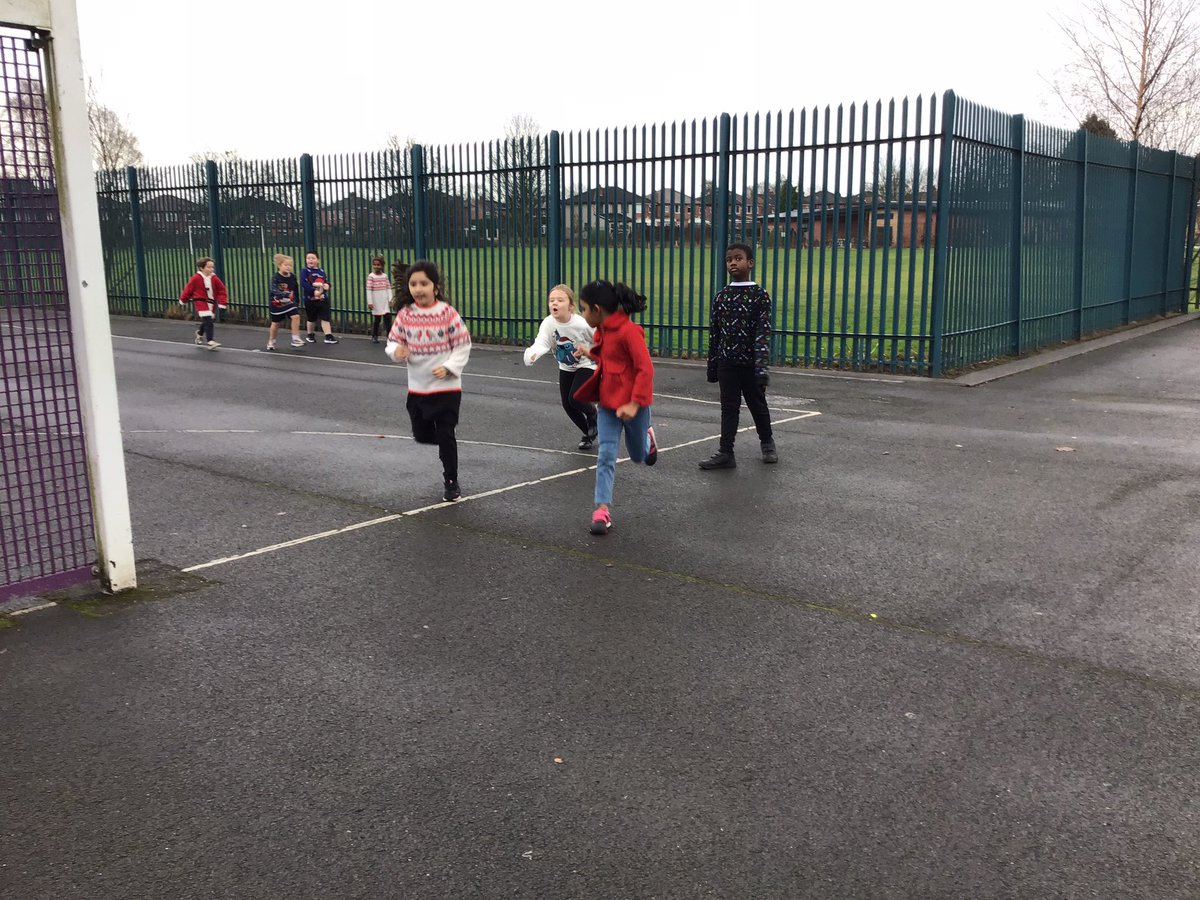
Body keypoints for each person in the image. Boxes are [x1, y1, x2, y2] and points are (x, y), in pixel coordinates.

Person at [572, 279, 658, 536]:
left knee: (637, 456)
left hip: (634, 406)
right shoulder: (603, 331)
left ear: (597, 309)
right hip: (608, 405)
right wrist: (589, 352)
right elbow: (610, 359)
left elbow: (645, 369)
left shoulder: (629, 332)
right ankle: (601, 510)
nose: (582, 314)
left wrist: (634, 404)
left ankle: (647, 438)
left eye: (584, 309)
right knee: (606, 455)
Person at [384, 260, 472, 502]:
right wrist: (396, 352)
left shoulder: (447, 313)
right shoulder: (405, 315)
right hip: (418, 388)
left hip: (447, 389)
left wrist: (449, 367)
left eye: (424, 283)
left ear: (435, 286)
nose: (418, 288)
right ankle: (447, 443)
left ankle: (451, 481)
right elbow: (392, 342)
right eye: (413, 284)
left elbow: (463, 345)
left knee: (445, 433)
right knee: (421, 434)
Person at [698, 242, 777, 469]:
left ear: (749, 263)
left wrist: (761, 368)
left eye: (738, 258)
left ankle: (767, 443)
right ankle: (726, 452)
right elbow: (715, 334)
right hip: (727, 364)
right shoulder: (721, 297)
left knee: (757, 404)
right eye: (729, 259)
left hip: (751, 365)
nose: (733, 262)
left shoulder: (760, 296)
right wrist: (713, 367)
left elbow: (763, 333)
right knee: (729, 407)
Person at [522, 284, 598, 450]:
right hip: (566, 366)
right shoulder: (549, 324)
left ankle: (593, 414)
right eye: (551, 300)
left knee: (575, 398)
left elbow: (600, 340)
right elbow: (542, 341)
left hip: (587, 364)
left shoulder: (582, 324)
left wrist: (591, 353)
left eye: (560, 300)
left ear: (571, 306)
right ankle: (588, 433)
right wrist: (533, 353)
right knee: (567, 405)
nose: (554, 303)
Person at [178, 257, 228, 350]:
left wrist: (222, 302)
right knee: (208, 321)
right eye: (208, 267)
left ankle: (199, 334)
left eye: (212, 267)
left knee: (207, 321)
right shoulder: (195, 278)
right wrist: (183, 300)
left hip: (211, 304)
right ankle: (210, 341)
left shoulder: (214, 278)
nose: (211, 269)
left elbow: (222, 290)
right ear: (202, 268)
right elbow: (188, 290)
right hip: (200, 302)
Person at [266, 253, 304, 351]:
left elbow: (295, 289)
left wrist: (296, 301)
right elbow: (273, 290)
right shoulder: (275, 277)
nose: (288, 267)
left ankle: (295, 339)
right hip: (277, 303)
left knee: (296, 316)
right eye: (286, 265)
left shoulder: (292, 277)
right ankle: (271, 341)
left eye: (290, 265)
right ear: (279, 266)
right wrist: (284, 294)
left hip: (289, 302)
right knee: (275, 323)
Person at [300, 250, 338, 344]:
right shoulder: (305, 271)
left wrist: (327, 286)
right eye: (308, 258)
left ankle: (328, 336)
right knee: (311, 318)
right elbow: (304, 283)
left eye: (313, 258)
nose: (310, 260)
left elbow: (326, 281)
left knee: (325, 317)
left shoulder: (321, 271)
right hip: (310, 299)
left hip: (322, 298)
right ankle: (310, 335)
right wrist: (313, 292)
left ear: (318, 260)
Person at [366, 255, 393, 343]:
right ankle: (374, 336)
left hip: (384, 301)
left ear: (382, 266)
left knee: (388, 320)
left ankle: (390, 337)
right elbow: (369, 290)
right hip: (376, 301)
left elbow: (388, 288)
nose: (376, 266)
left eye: (378, 265)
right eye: (375, 265)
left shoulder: (385, 276)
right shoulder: (371, 276)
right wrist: (370, 302)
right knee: (377, 320)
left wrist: (390, 299)